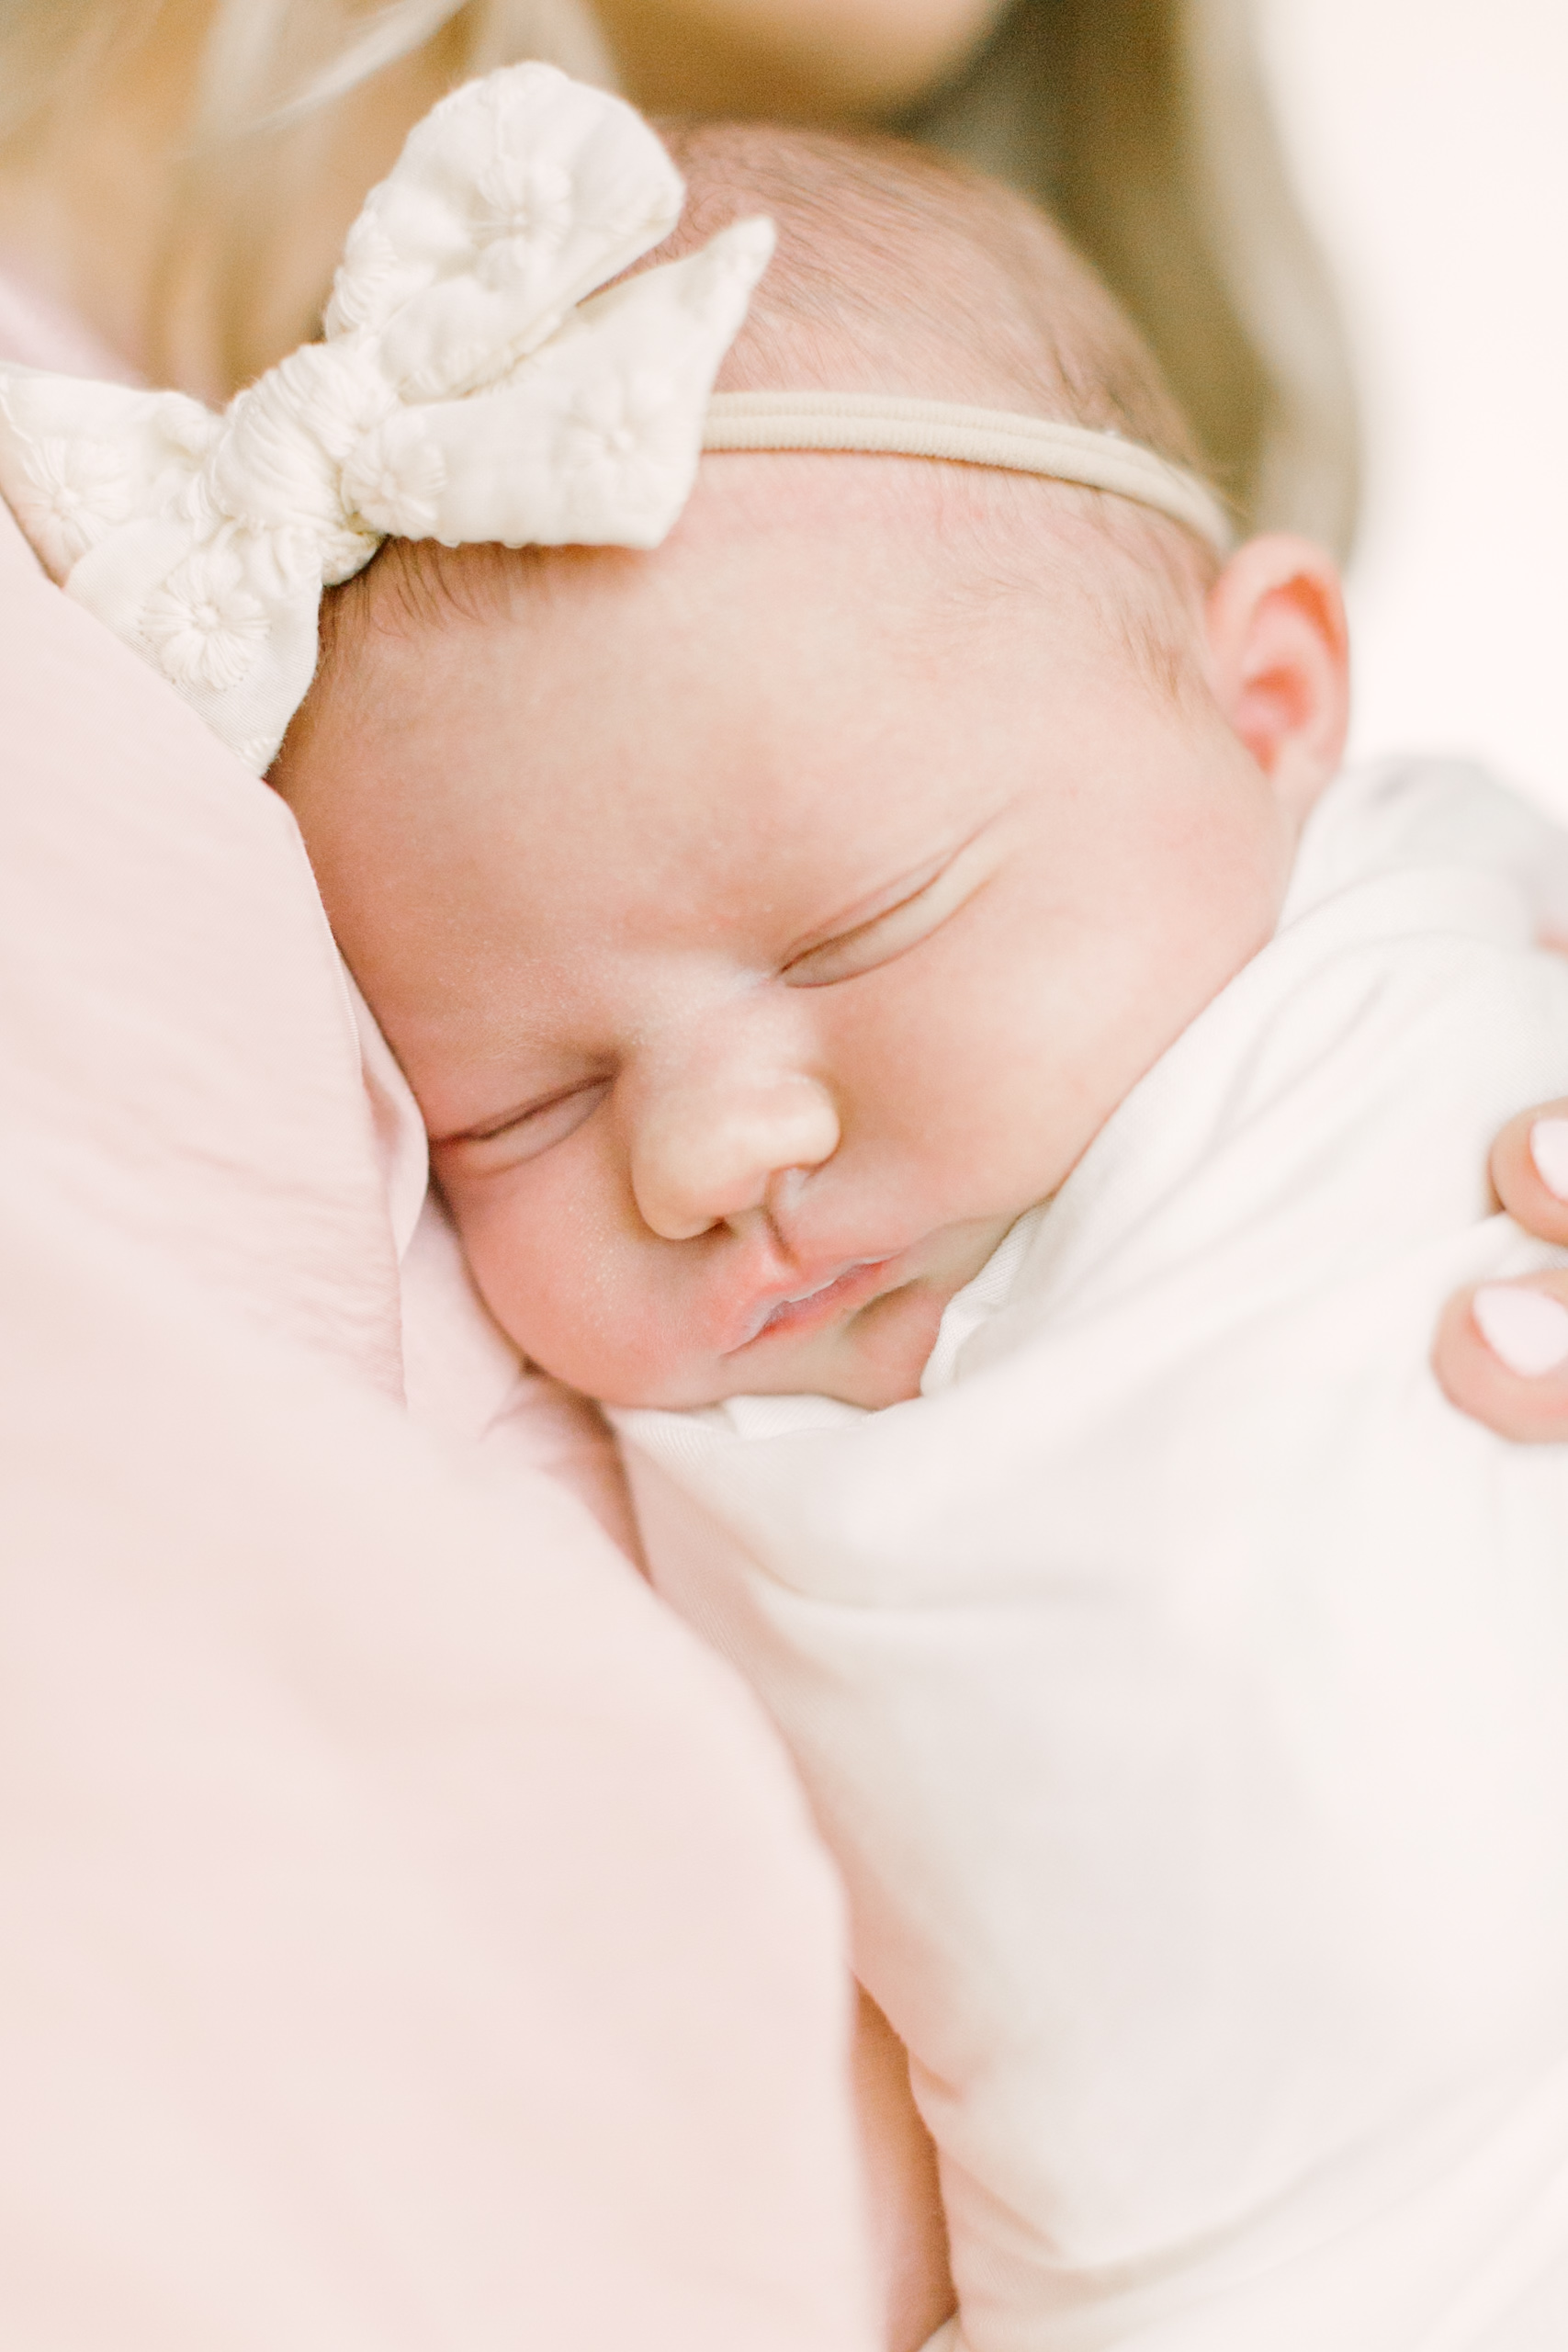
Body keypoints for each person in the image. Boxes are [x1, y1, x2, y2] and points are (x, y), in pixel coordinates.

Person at [239, 102, 1568, 2347]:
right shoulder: (609, 1452)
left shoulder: (1416, 936)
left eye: (859, 931)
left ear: (1270, 711)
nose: (700, 1154)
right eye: (521, 1107)